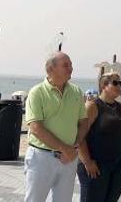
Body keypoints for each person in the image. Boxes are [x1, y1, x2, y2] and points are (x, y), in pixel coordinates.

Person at [24, 52, 89, 202]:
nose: (71, 68)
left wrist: (75, 147)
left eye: (71, 65)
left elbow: (83, 122)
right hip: (41, 158)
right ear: (51, 69)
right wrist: (65, 149)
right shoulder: (37, 92)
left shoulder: (77, 92)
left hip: (69, 159)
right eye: (66, 65)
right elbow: (36, 128)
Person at [77, 72, 121, 202]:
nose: (119, 86)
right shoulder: (93, 106)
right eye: (115, 83)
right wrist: (87, 161)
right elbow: (79, 135)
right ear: (103, 85)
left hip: (118, 165)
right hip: (97, 166)